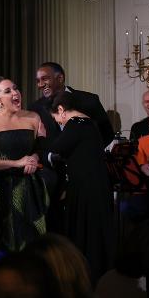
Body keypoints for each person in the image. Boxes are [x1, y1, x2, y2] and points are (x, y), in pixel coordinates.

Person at [46, 91, 116, 281]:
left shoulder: (75, 125)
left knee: (85, 233)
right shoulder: (90, 124)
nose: (60, 124)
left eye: (58, 120)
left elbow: (54, 149)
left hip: (85, 191)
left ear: (61, 110)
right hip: (97, 188)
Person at [0, 77, 49, 251]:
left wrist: (34, 159)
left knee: (31, 240)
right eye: (8, 91)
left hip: (27, 186)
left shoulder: (33, 117)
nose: (15, 93)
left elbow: (41, 149)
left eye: (15, 88)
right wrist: (17, 163)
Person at [30, 61, 114, 147]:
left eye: (45, 79)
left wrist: (89, 153)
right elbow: (36, 143)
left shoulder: (89, 100)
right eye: (38, 81)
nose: (40, 85)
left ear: (60, 78)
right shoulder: (36, 108)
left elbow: (107, 134)